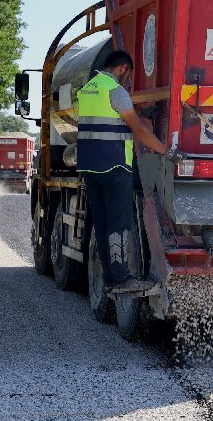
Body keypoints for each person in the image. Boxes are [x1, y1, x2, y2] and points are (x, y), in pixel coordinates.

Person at [77, 49, 182, 294]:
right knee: (120, 224)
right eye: (128, 75)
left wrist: (139, 111)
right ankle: (123, 279)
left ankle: (110, 281)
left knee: (102, 225)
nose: (127, 80)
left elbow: (108, 118)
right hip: (115, 167)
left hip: (91, 168)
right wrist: (167, 152)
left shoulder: (90, 89)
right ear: (123, 68)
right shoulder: (116, 91)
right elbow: (141, 132)